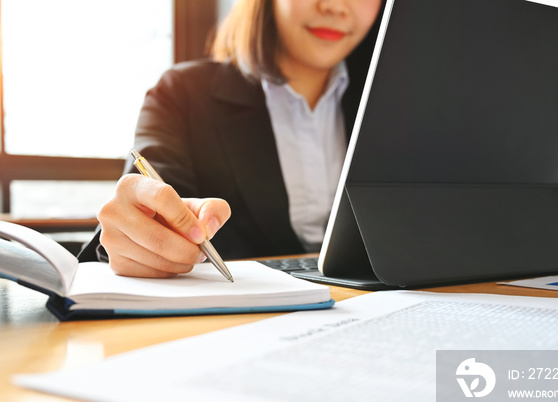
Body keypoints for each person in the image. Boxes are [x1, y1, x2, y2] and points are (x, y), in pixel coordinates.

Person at [79, 0, 383, 277]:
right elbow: (148, 209)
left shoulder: (399, 99)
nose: (335, 6)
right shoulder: (183, 93)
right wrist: (135, 234)